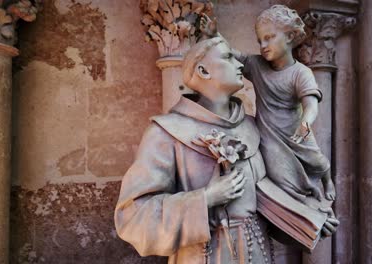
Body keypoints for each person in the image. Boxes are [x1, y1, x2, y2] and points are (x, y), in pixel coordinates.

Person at [114, 37, 274, 264]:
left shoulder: (250, 126)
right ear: (203, 70)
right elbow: (132, 217)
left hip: (257, 254)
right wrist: (205, 198)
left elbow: (270, 189)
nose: (240, 65)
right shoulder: (166, 132)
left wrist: (306, 216)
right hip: (200, 255)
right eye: (229, 57)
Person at [200, 5, 336, 202]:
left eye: (269, 37)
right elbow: (231, 54)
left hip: (295, 131)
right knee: (280, 177)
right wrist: (215, 34)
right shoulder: (256, 65)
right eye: (259, 40)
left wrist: (306, 122)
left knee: (317, 161)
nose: (263, 45)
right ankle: (295, 206)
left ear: (290, 36)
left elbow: (311, 104)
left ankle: (327, 180)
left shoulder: (300, 73)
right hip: (269, 136)